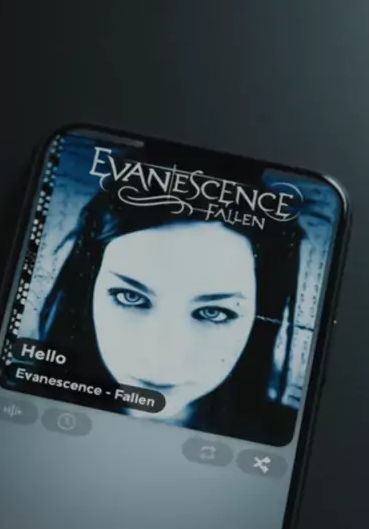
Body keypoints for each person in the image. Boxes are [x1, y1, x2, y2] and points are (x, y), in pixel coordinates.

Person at [38, 188, 303, 445]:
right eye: (129, 297)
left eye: (214, 312)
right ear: (88, 288)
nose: (162, 358)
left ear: (260, 315)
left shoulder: (294, 437)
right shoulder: (24, 395)